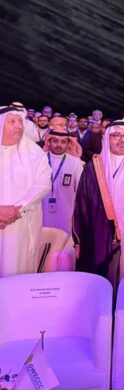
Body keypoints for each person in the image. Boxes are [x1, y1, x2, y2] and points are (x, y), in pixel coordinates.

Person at [73, 121, 124, 289]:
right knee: (105, 279)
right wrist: (78, 239)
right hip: (102, 232)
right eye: (116, 135)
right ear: (107, 138)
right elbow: (82, 206)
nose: (122, 140)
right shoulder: (94, 167)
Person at [0, 106, 51, 276]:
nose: (18, 126)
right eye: (12, 122)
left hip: (23, 223)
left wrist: (16, 209)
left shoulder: (34, 153)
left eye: (20, 122)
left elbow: (43, 184)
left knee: (18, 272)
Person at [41, 130, 84, 235]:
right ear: (48, 142)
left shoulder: (75, 162)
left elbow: (81, 190)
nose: (59, 145)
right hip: (41, 213)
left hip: (66, 213)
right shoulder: (39, 159)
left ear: (68, 144)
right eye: (55, 141)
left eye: (63, 142)